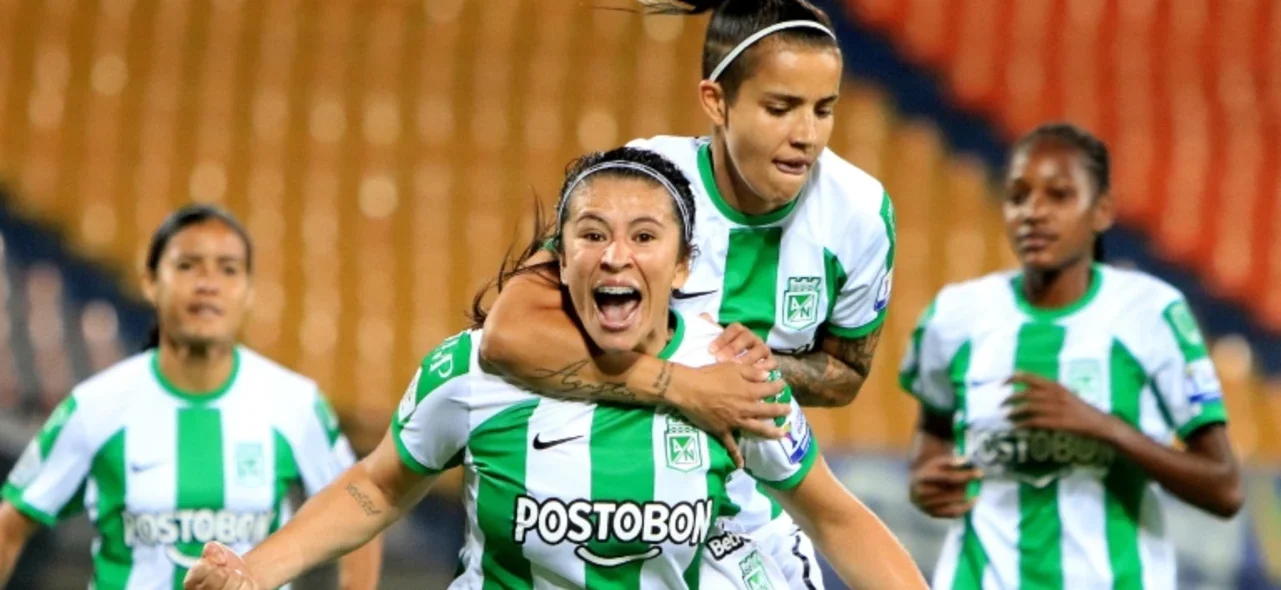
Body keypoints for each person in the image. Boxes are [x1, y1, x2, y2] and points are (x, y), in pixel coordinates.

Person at [180, 146, 926, 590]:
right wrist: (255, 570)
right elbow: (376, 486)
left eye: (643, 236)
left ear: (683, 263)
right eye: (591, 234)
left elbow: (835, 516)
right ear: (558, 257)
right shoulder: (470, 371)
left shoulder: (733, 375)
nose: (615, 255)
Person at [478, 1, 894, 585]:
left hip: (754, 508)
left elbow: (847, 375)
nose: (807, 136)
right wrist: (687, 386)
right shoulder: (647, 186)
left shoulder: (861, 216)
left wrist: (755, 369)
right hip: (621, 502)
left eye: (824, 110)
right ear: (715, 102)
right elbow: (510, 332)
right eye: (781, 108)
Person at [900, 123, 1244, 589]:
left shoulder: (1151, 313)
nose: (1033, 213)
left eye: (1059, 196)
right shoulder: (955, 315)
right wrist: (924, 479)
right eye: (1018, 196)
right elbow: (933, 432)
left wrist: (1104, 427)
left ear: (1102, 210)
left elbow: (1224, 488)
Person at [0, 205, 382, 589]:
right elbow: (11, 521)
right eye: (188, 266)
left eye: (228, 269)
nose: (208, 283)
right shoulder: (94, 406)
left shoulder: (297, 404)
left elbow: (361, 513)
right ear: (150, 282)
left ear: (249, 291)